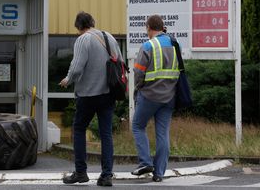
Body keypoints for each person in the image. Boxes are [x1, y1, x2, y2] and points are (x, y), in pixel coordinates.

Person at [59, 11, 123, 187]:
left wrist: (68, 79)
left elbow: (77, 67)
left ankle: (81, 172)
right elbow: (120, 62)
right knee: (106, 134)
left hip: (88, 94)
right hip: (108, 93)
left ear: (79, 26)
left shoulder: (83, 39)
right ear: (92, 22)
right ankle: (106, 175)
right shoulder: (108, 37)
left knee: (79, 129)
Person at [131, 15, 180, 182]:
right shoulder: (175, 45)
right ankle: (159, 173)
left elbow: (138, 73)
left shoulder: (148, 46)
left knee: (138, 126)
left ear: (149, 28)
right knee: (163, 134)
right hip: (169, 96)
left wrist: (138, 87)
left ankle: (145, 162)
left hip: (149, 95)